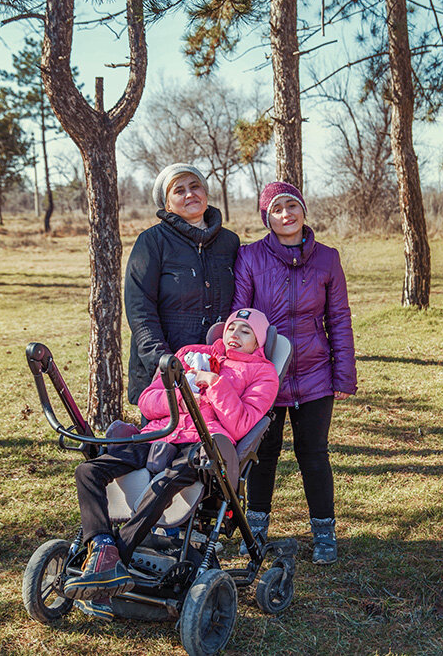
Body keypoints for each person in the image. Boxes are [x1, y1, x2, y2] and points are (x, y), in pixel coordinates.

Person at [67, 309, 280, 619]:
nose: (234, 333)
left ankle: (115, 560)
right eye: (231, 327)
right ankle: (101, 546)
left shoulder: (263, 373)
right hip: (159, 434)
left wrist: (214, 384)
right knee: (88, 471)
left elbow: (240, 425)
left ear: (258, 340)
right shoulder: (188, 355)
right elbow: (147, 402)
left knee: (164, 483)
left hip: (205, 447)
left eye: (246, 331)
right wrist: (181, 397)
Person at [232, 181, 357, 565]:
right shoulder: (250, 257)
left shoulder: (328, 259)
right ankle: (256, 529)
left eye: (292, 206)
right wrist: (240, 373)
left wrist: (343, 373)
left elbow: (338, 318)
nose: (286, 215)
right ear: (267, 217)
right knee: (261, 453)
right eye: (277, 209)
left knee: (314, 455)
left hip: (315, 373)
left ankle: (324, 533)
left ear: (303, 210)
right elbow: (239, 318)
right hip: (265, 376)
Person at [124, 163, 240, 407]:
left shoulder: (229, 242)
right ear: (167, 205)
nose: (190, 194)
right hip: (166, 365)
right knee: (164, 442)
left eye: (195, 186)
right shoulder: (152, 242)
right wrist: (162, 363)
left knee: (215, 442)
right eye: (179, 190)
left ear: (206, 194)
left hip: (216, 367)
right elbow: (139, 309)